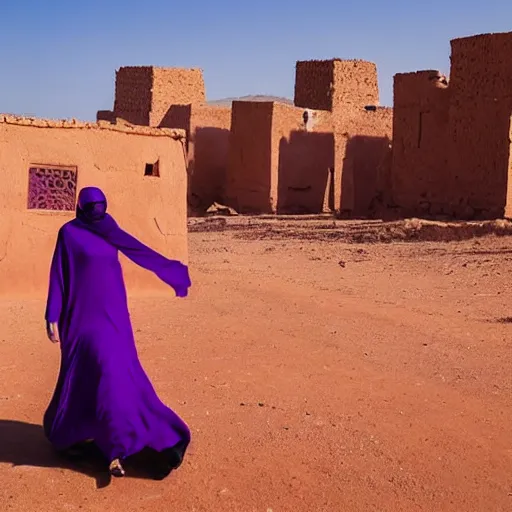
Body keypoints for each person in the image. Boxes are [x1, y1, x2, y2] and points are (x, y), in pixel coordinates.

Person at [44, 186, 191, 479]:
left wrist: (173, 273)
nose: (98, 211)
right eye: (93, 207)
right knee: (89, 374)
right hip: (81, 318)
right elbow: (58, 275)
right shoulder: (69, 233)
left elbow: (140, 252)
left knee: (116, 373)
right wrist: (52, 314)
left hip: (114, 317)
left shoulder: (110, 228)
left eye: (101, 206)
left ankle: (125, 442)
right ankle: (96, 438)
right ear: (82, 207)